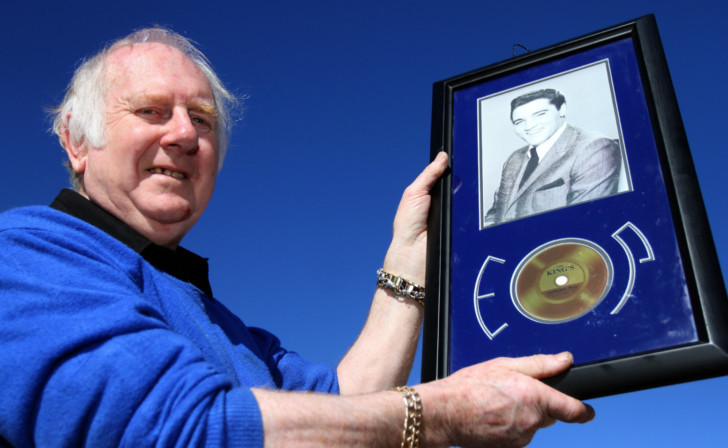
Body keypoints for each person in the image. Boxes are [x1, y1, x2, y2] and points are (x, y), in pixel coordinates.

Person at [0, 28, 594, 447]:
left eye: (202, 119)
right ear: (77, 141)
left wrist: (410, 251)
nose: (184, 135)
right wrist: (439, 415)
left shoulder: (227, 327)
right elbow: (180, 430)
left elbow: (346, 404)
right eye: (152, 112)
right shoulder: (26, 252)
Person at [484, 88, 622, 226]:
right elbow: (495, 214)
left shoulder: (594, 147)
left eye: (540, 114)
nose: (529, 126)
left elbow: (586, 220)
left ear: (562, 110)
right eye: (519, 122)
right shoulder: (514, 158)